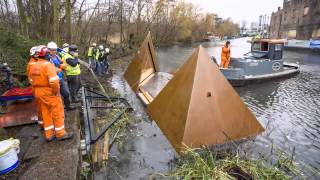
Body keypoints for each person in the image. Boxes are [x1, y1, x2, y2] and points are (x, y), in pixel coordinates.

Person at [27, 46, 74, 141]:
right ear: (45, 54)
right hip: (49, 91)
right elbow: (54, 82)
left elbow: (31, 80)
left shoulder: (32, 65)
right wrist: (56, 92)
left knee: (45, 112)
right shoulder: (47, 65)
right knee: (57, 112)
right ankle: (60, 133)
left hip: (38, 91)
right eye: (48, 53)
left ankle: (49, 135)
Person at [47, 41, 73, 110]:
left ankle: (67, 106)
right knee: (55, 96)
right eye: (53, 50)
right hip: (52, 80)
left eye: (55, 50)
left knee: (66, 93)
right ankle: (57, 109)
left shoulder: (57, 56)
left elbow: (61, 63)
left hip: (60, 78)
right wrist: (59, 67)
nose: (54, 51)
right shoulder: (47, 58)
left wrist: (63, 65)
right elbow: (48, 69)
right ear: (48, 50)